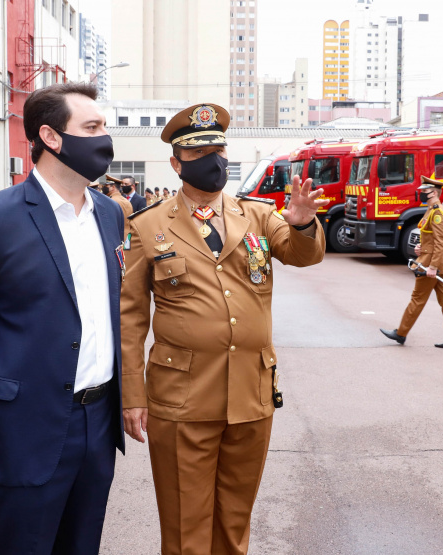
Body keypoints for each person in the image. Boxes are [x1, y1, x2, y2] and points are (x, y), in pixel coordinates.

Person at [121, 103, 327, 555]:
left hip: (250, 393)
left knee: (234, 522)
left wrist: (305, 222)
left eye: (219, 150)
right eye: (200, 154)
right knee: (185, 526)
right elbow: (131, 316)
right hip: (182, 397)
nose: (214, 161)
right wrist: (132, 396)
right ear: (176, 164)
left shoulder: (255, 215)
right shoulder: (147, 225)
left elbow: (301, 254)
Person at [0, 82, 125, 554]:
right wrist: (7, 380)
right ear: (52, 137)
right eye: (92, 127)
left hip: (96, 423)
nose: (105, 138)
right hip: (24, 426)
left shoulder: (108, 214)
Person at [380, 176, 443, 350]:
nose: (421, 194)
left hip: (432, 264)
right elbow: (432, 239)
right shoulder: (431, 210)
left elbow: (442, 243)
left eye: (424, 192)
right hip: (434, 261)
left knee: (417, 299)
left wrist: (432, 267)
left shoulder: (437, 212)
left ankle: (401, 333)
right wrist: (421, 247)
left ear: (433, 193)